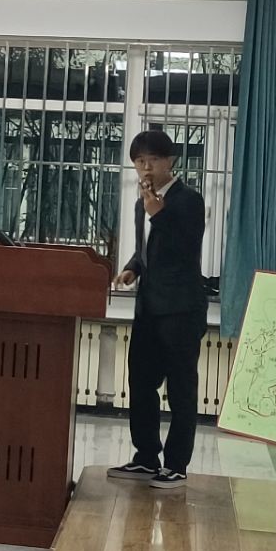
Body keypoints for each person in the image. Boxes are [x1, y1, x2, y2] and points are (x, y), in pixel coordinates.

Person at [108, 130, 208, 490]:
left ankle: (176, 465)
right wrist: (132, 268)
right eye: (139, 161)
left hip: (181, 310)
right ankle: (146, 457)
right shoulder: (142, 204)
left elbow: (184, 249)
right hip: (149, 309)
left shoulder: (188, 200)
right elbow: (147, 250)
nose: (146, 168)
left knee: (181, 389)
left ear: (171, 161)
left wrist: (159, 214)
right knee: (140, 383)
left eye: (153, 160)